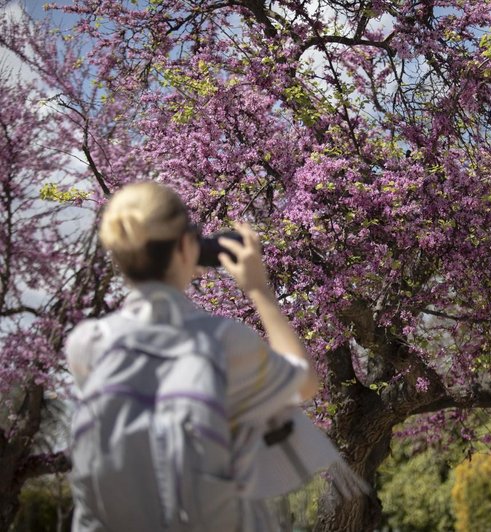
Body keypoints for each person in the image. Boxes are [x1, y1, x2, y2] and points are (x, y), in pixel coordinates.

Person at [65, 181, 331, 531]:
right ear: (186, 246)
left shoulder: (87, 344)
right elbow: (305, 382)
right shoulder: (222, 341)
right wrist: (259, 289)